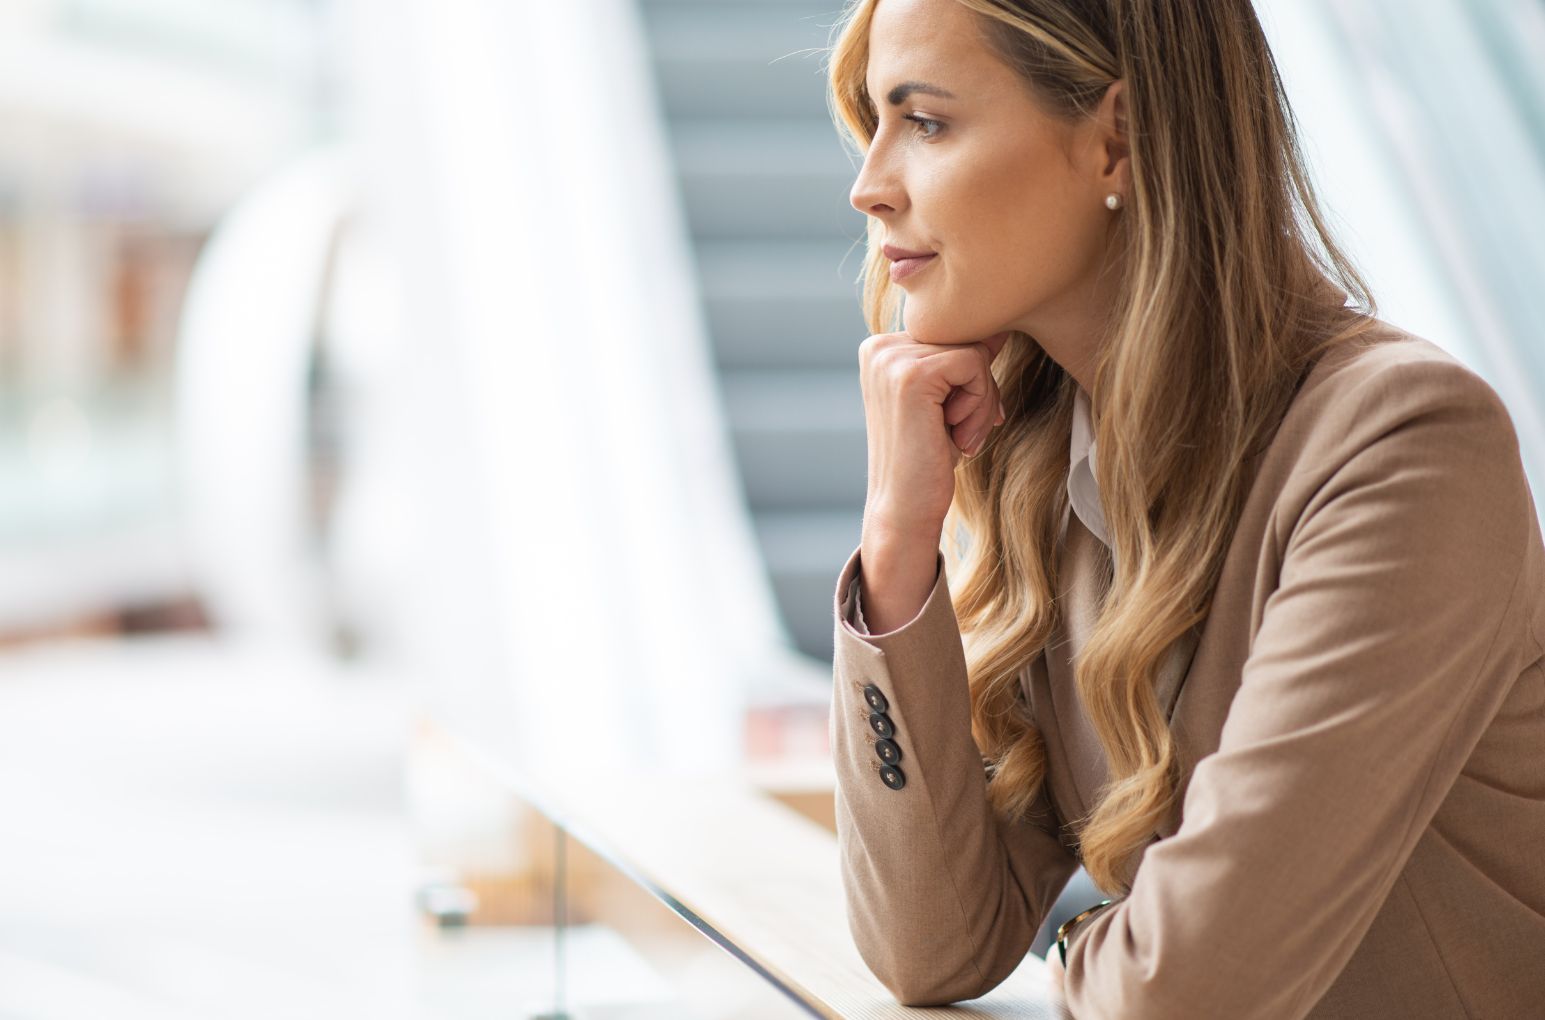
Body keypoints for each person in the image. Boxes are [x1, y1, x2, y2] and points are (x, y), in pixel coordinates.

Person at [823, 0, 1545, 1017]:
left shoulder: (1404, 448)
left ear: (1116, 139)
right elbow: (930, 948)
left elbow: (1186, 993)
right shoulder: (1044, 461)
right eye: (873, 124)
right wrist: (898, 547)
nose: (869, 186)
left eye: (926, 121)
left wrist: (1079, 938)